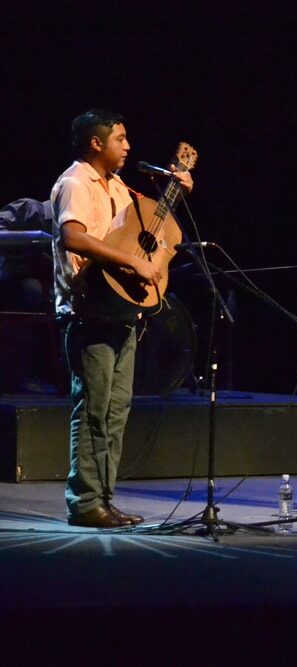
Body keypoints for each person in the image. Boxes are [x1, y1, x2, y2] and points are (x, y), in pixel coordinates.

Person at [52, 109, 193, 528]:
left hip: (121, 309)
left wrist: (176, 191)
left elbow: (146, 231)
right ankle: (85, 502)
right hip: (88, 310)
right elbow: (73, 236)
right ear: (96, 143)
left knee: (116, 410)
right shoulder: (76, 182)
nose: (128, 146)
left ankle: (104, 499)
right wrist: (132, 262)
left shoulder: (117, 186)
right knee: (93, 409)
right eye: (120, 138)